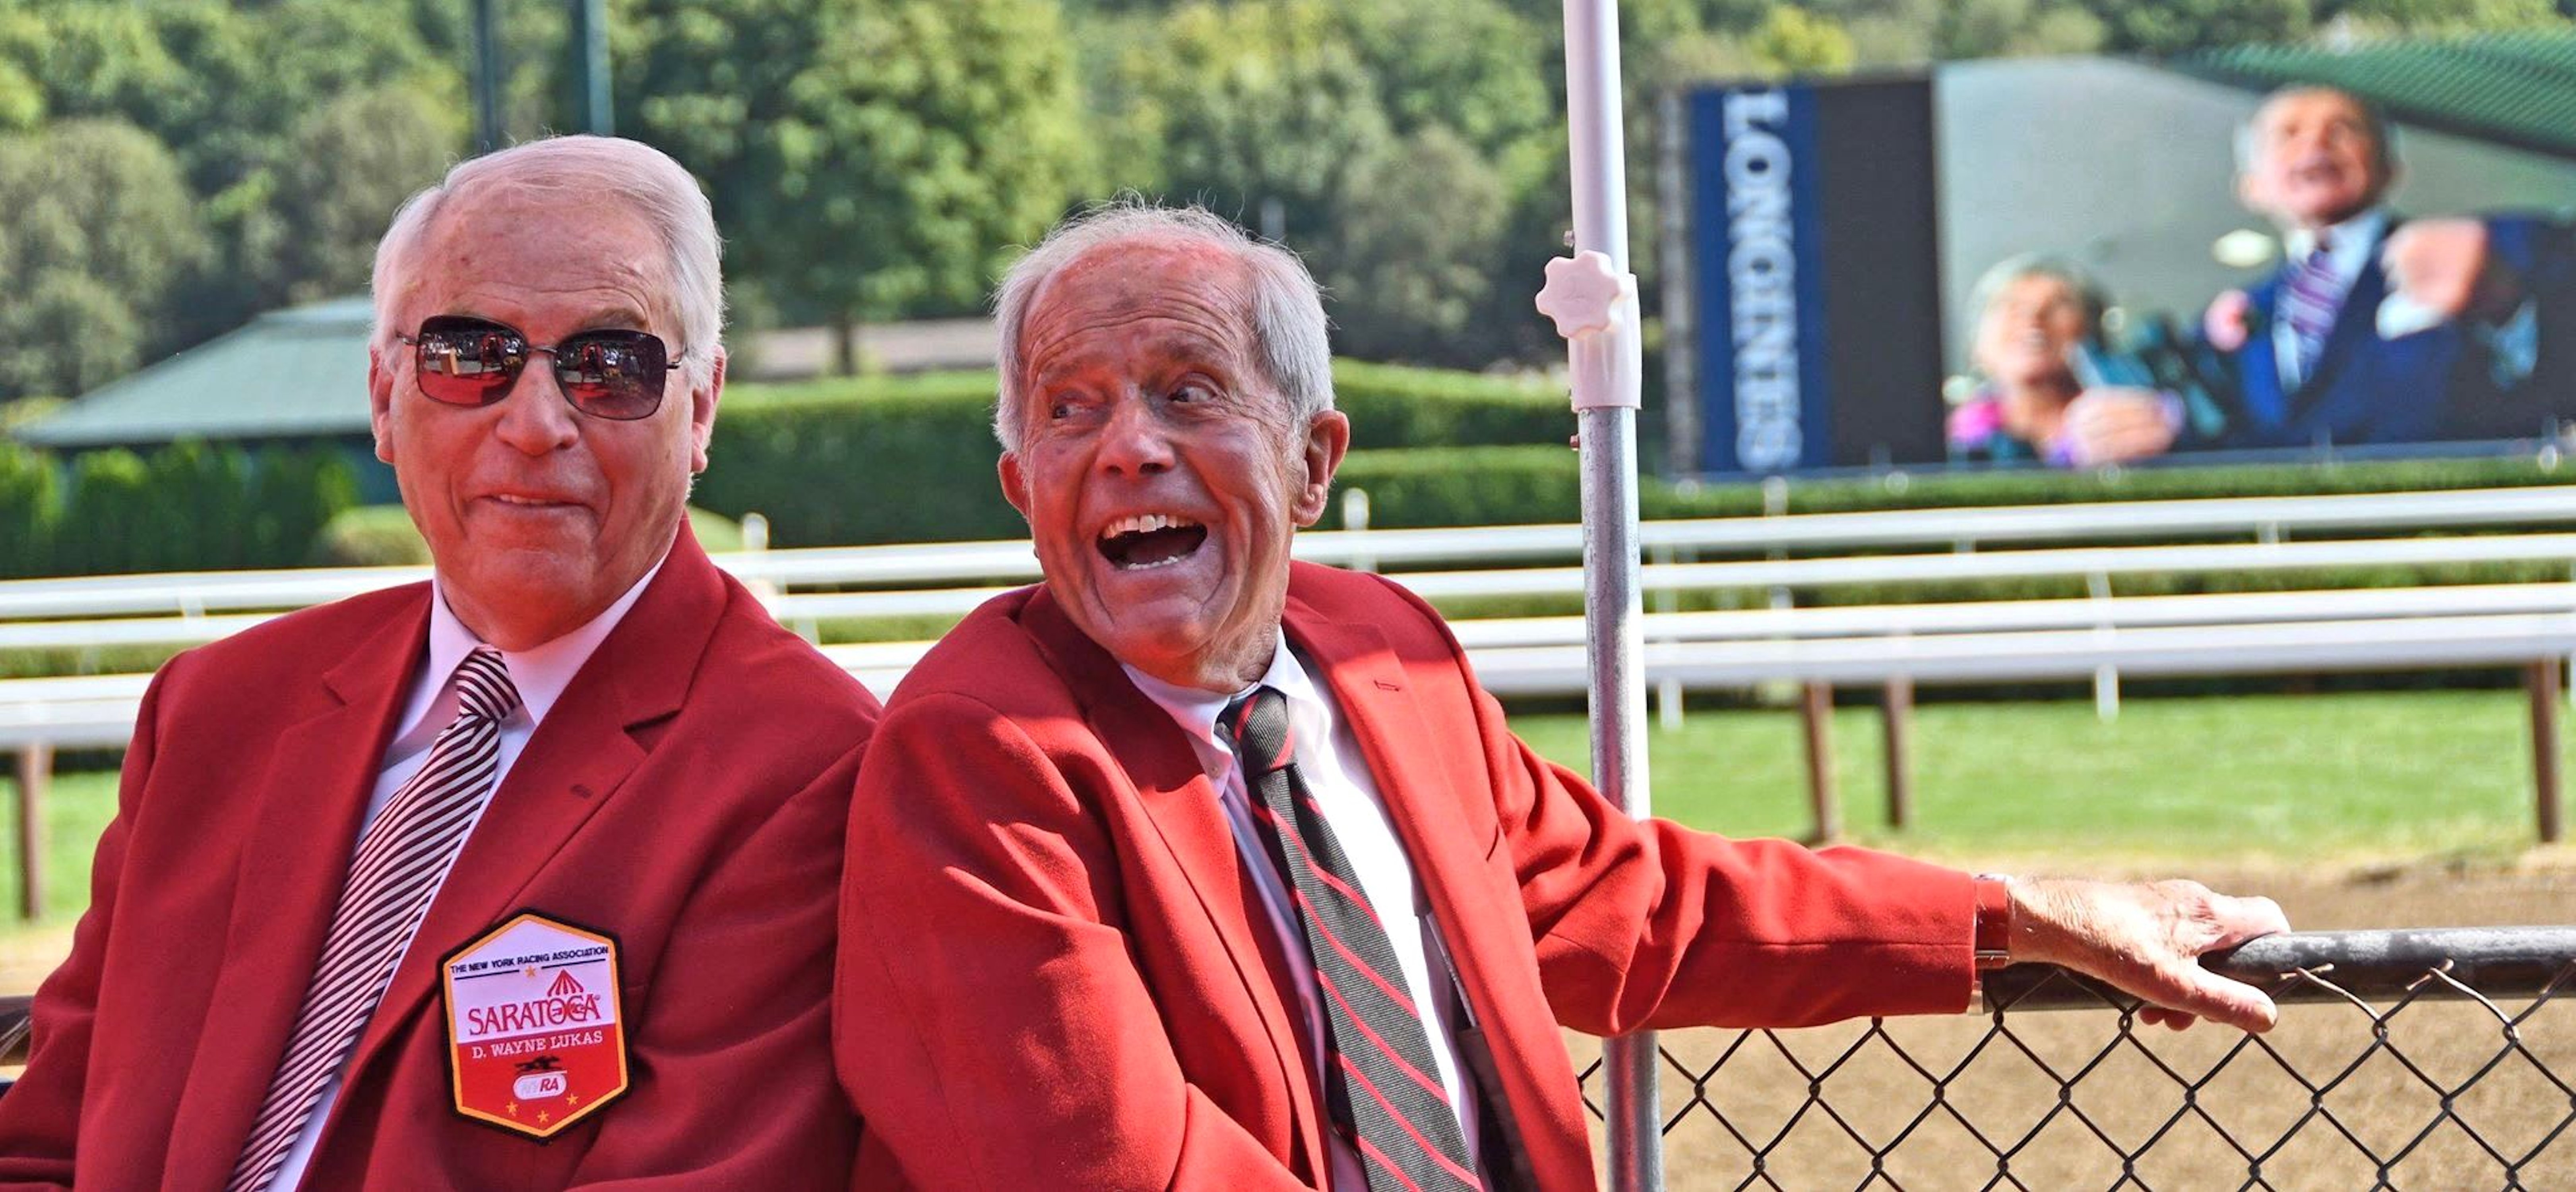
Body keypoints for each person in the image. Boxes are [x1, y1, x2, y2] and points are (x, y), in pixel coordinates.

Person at [835, 203, 2291, 1190]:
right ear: (1023, 484)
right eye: (1071, 408)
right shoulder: (977, 752)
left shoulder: (1384, 649)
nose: (1128, 447)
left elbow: (1631, 902)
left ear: (1311, 458)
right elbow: (1102, 1161)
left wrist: (2011, 915)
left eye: (1187, 389)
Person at [0, 137, 881, 1189]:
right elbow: (44, 1140)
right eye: (471, 356)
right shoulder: (216, 711)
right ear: (383, 396)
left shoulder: (804, 768)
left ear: (698, 410)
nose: (537, 422)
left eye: (610, 365)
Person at [2202, 84, 2574, 449]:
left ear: (2389, 168)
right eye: (2287, 134)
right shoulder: (2238, 320)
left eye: (2343, 129)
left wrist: (2504, 305)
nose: (2316, 142)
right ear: (2251, 187)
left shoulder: (2502, 251)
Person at [1949, 255, 2192, 467]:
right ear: (1977, 347)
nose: (2034, 319)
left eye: (2057, 305)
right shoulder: (1950, 448)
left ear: (2092, 334)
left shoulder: (2147, 419)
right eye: (2012, 306)